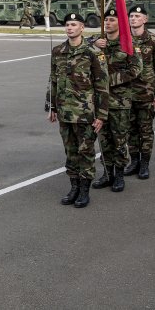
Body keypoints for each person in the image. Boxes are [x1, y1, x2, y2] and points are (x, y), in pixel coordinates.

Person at [48, 13, 109, 208]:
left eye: (74, 25)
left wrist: (101, 114)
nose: (69, 28)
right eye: (67, 25)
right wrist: (52, 106)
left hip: (85, 114)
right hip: (65, 113)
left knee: (86, 152)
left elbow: (102, 85)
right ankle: (73, 187)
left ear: (82, 28)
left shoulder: (92, 52)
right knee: (70, 152)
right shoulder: (58, 51)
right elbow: (53, 80)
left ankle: (84, 190)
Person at [90, 9, 142, 192]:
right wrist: (94, 43)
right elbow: (79, 48)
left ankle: (119, 175)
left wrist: (109, 80)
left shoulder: (128, 43)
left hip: (120, 101)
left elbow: (136, 69)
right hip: (100, 103)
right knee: (104, 140)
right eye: (105, 20)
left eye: (112, 20)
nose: (107, 23)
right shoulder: (96, 42)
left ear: (120, 23)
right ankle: (107, 173)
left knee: (119, 139)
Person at [123, 5, 155, 179]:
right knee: (130, 130)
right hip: (126, 94)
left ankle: (144, 164)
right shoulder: (123, 39)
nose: (133, 19)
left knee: (145, 130)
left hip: (146, 94)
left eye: (137, 16)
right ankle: (134, 161)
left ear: (145, 19)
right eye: (131, 16)